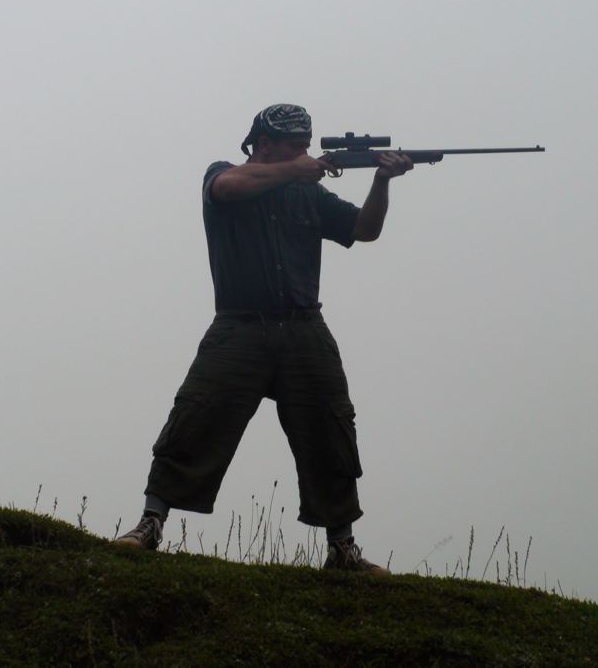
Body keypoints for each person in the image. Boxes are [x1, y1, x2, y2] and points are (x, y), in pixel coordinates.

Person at [115, 104, 413, 575]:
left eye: (306, 147)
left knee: (330, 432)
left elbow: (365, 229)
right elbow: (227, 187)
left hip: (304, 329)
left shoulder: (310, 195)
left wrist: (382, 181)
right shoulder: (225, 174)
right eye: (295, 146)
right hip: (239, 326)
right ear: (264, 145)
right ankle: (150, 523)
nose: (304, 154)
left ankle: (342, 549)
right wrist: (298, 170)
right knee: (196, 418)